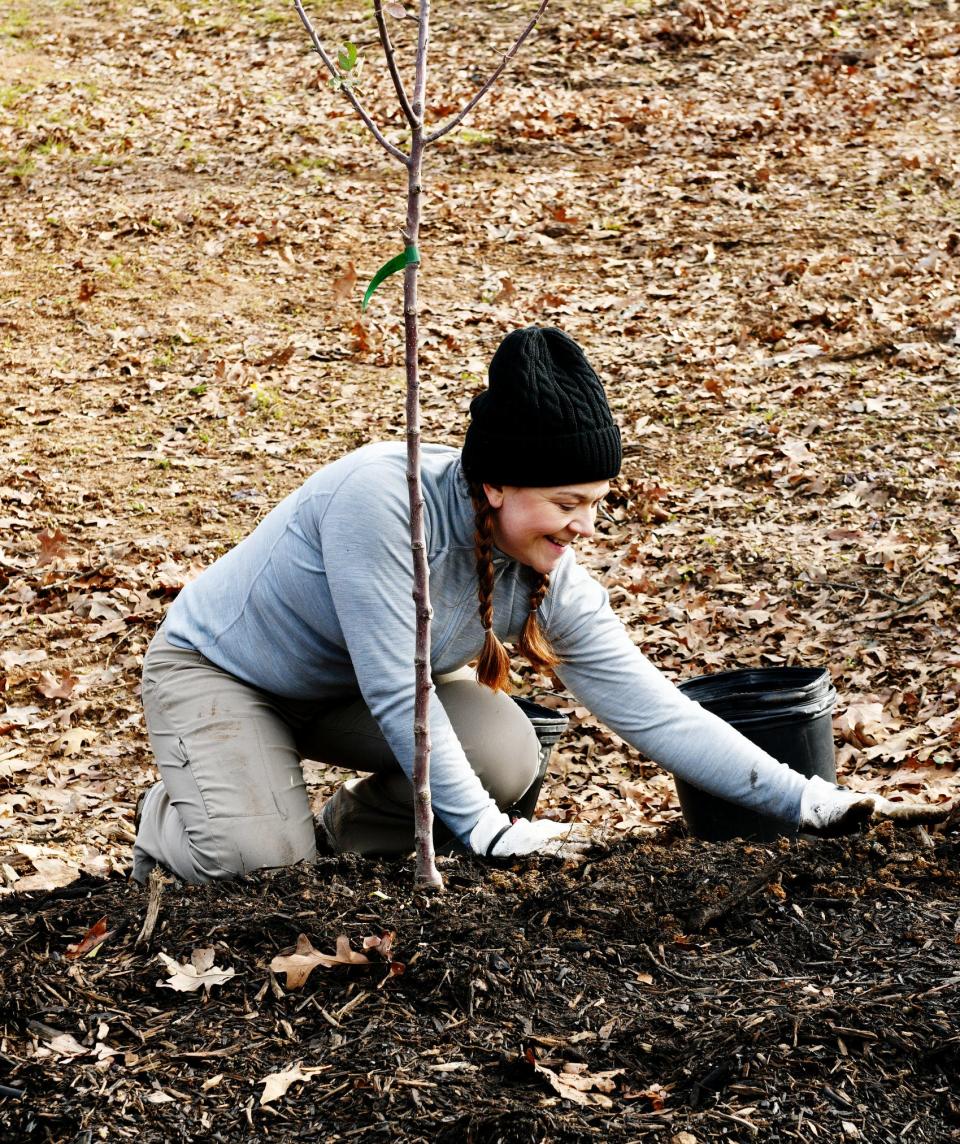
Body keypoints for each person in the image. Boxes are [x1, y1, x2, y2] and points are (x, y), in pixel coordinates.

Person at [132, 327, 949, 883]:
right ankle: (188, 815)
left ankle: (322, 834)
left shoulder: (538, 559)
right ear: (495, 483)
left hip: (339, 691)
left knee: (504, 749)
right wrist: (486, 835)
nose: (584, 524)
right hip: (225, 675)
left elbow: (649, 705)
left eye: (595, 500)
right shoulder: (383, 503)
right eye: (567, 500)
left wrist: (801, 796)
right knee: (258, 871)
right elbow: (397, 692)